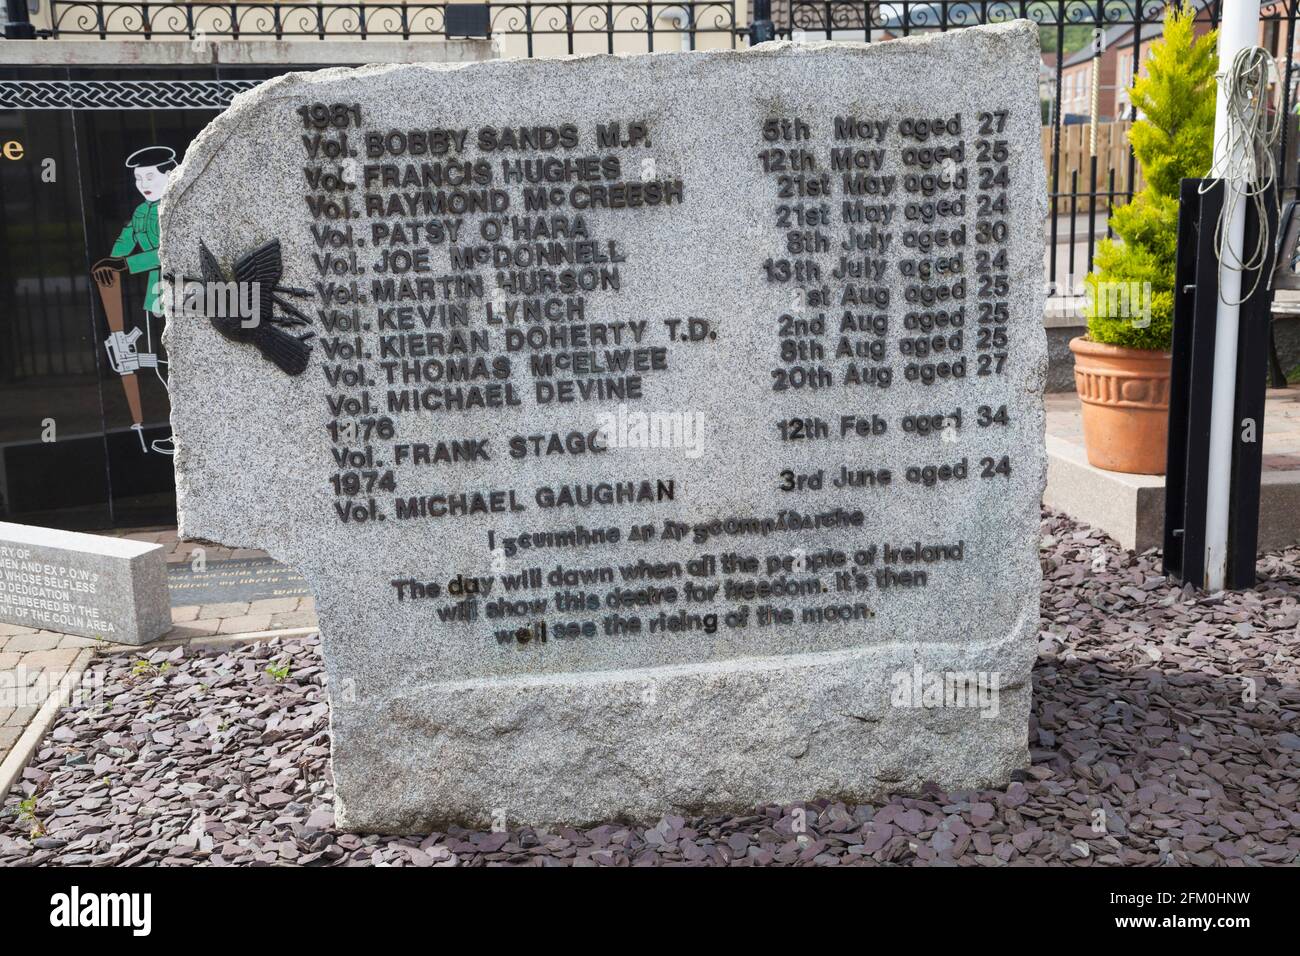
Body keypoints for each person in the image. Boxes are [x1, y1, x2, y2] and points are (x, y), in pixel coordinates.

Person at [92, 145, 176, 455]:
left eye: (150, 176)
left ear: (171, 173)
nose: (144, 184)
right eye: (138, 178)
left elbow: (169, 251)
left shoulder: (181, 205)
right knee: (164, 367)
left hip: (188, 298)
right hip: (156, 299)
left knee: (184, 368)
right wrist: (110, 262)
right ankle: (180, 431)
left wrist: (125, 265)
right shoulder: (142, 211)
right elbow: (125, 241)